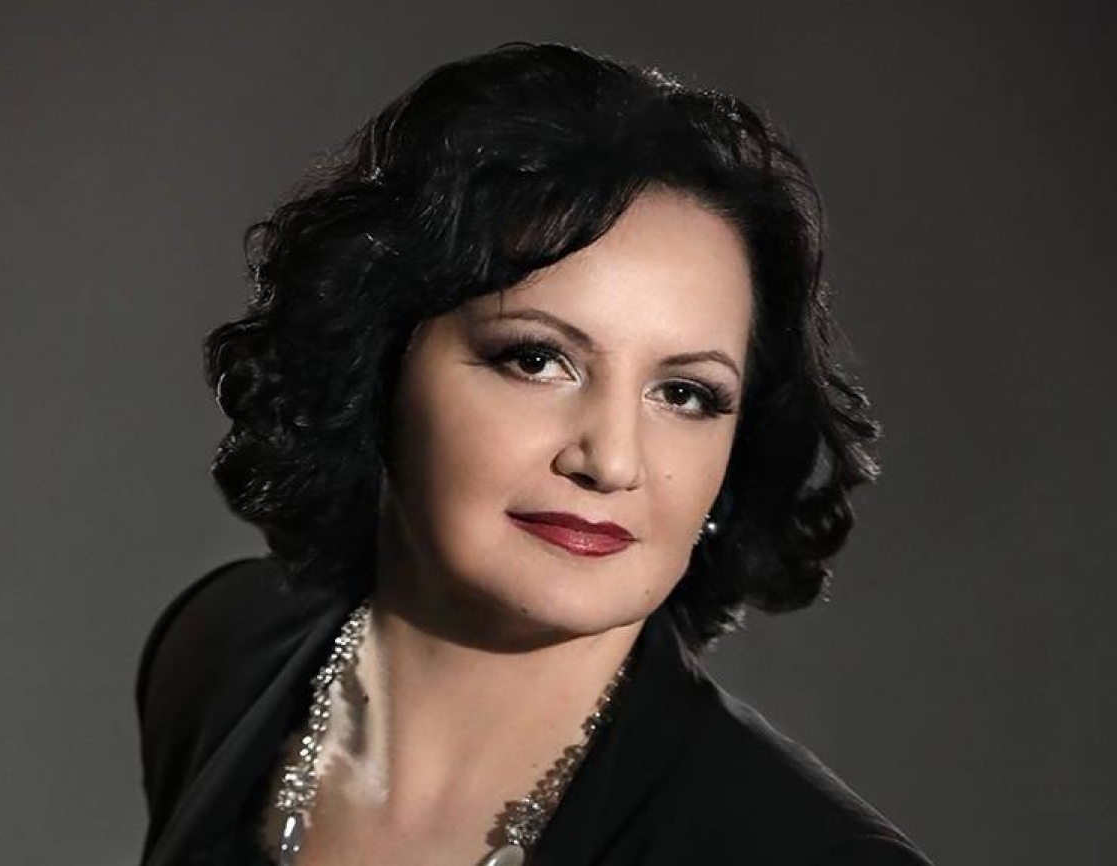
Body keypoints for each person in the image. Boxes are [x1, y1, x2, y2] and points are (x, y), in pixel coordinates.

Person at [136, 41, 936, 866]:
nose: (611, 461)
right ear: (376, 362)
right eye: (536, 359)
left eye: (685, 394)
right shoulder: (220, 652)